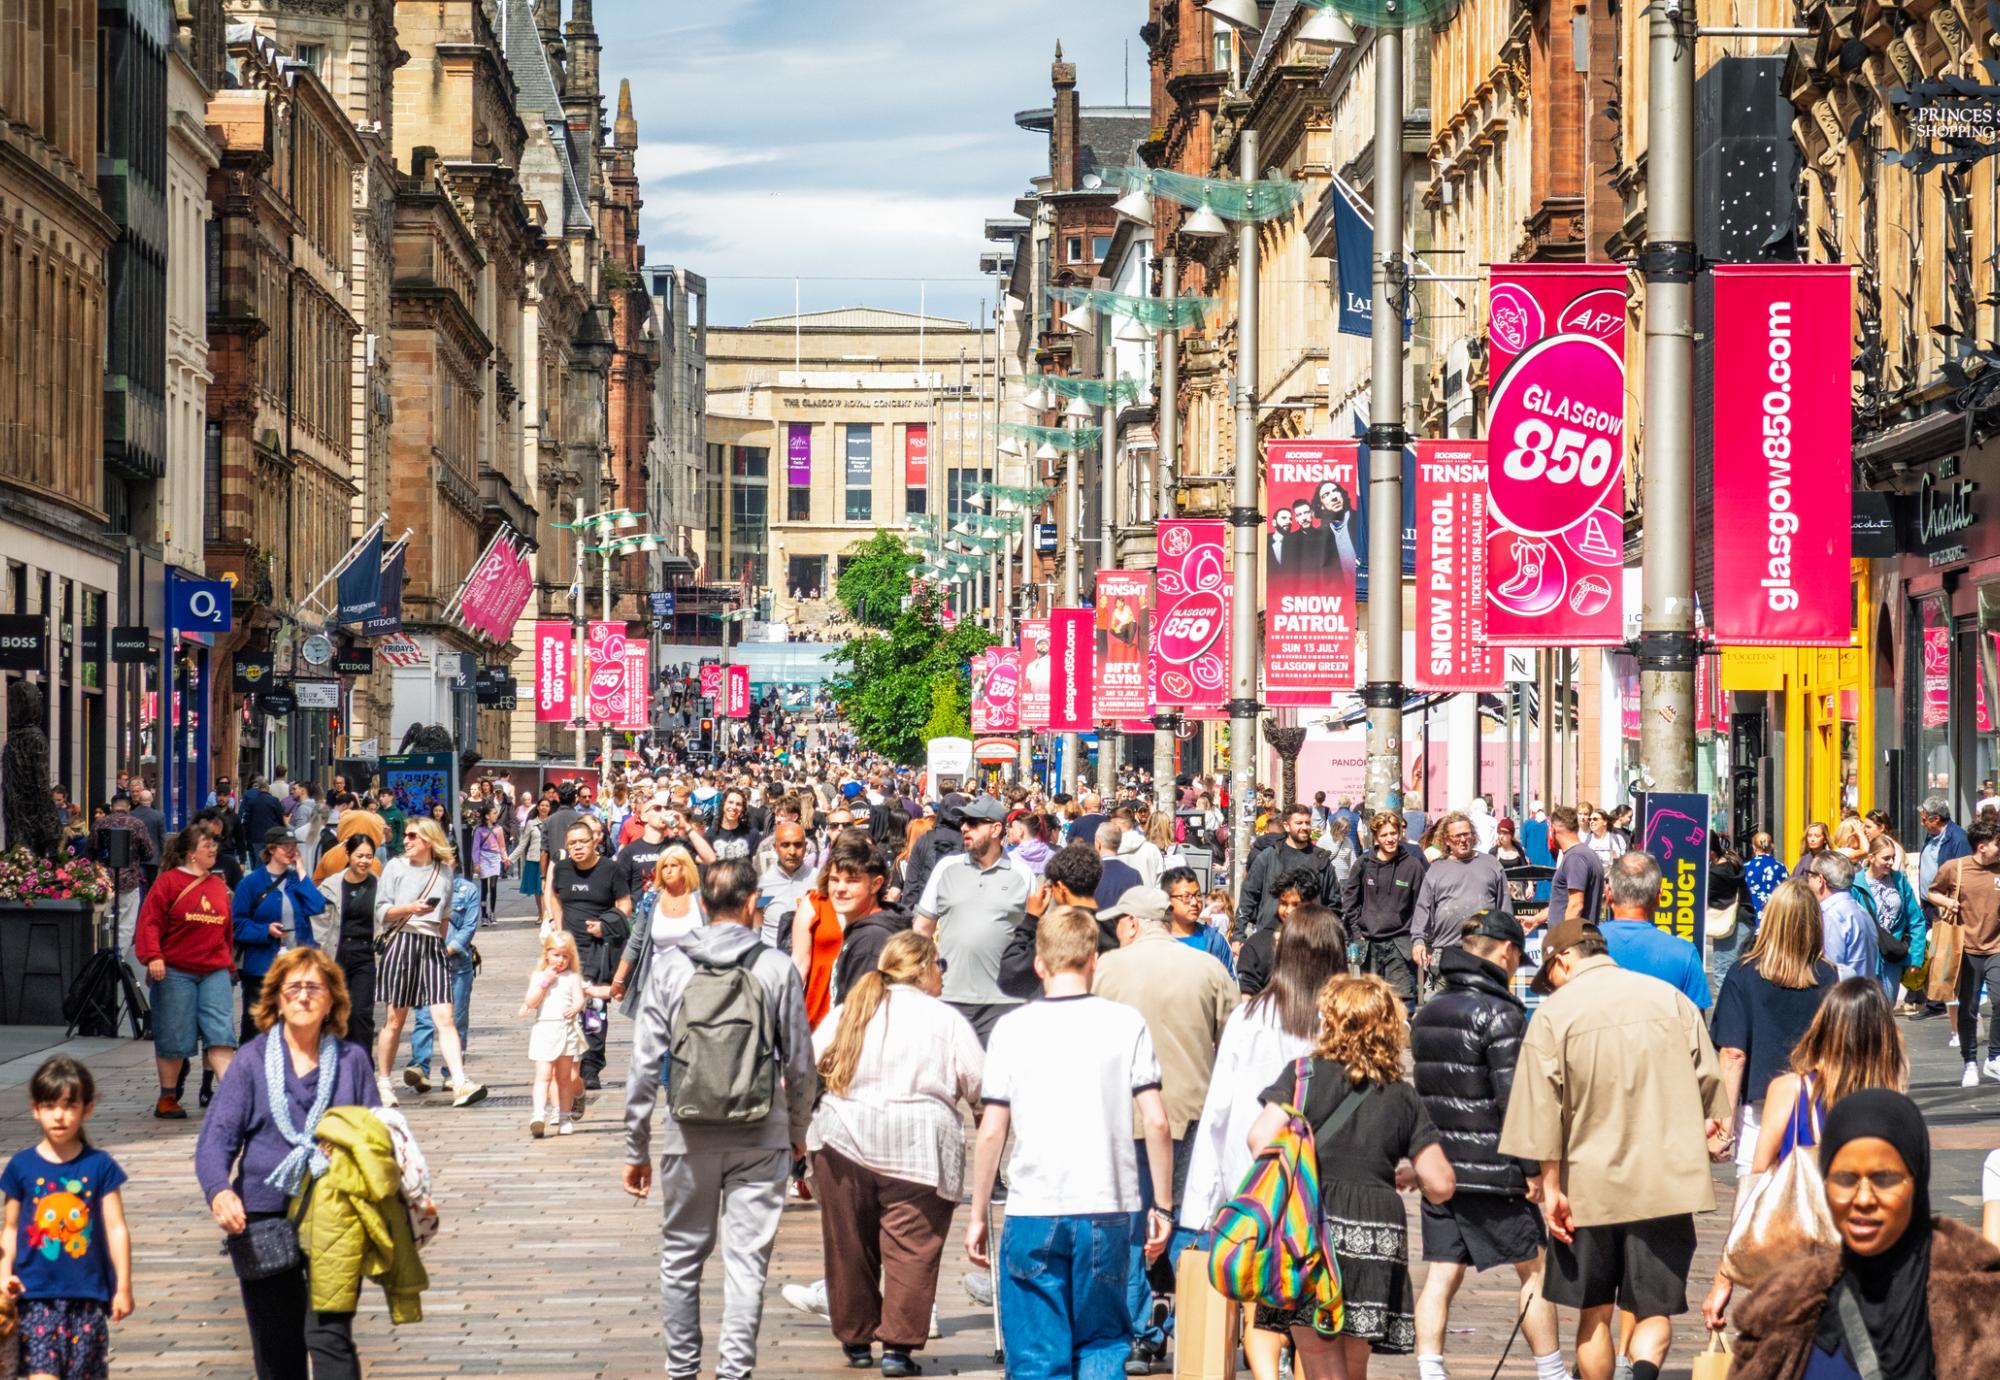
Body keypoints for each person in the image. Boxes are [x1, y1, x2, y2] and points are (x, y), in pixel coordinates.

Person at [1502, 916, 1731, 1380]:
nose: (1551, 986)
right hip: (1664, 1184)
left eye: (1551, 976)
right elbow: (1711, 1088)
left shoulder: (1553, 1015)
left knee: (1593, 1313)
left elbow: (1540, 1113)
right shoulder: (1670, 1000)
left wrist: (1550, 1189)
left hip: (1588, 1186)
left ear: (1563, 960)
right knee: (1653, 1310)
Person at [621, 859, 818, 1380]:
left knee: (681, 1259)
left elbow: (643, 1066)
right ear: (753, 903)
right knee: (747, 1266)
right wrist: (798, 1136)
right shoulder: (775, 968)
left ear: (702, 905)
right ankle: (735, 1372)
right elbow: (800, 1064)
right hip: (763, 1132)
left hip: (687, 1132)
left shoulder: (671, 967)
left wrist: (635, 1149)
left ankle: (682, 1370)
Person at [963, 906, 1173, 1380]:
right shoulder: (1125, 1022)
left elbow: (993, 1129)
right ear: (1094, 959)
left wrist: (977, 1213)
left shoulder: (1012, 1029)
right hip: (1108, 1206)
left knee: (1037, 1355)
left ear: (1039, 964)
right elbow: (1157, 1122)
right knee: (1102, 1342)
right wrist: (1162, 1207)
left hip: (1034, 1205)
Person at [1246, 976, 1456, 1378]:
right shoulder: (1400, 1094)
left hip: (1311, 1226)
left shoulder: (1303, 1075)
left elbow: (1259, 1140)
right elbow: (1442, 1183)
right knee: (1353, 1365)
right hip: (1376, 1231)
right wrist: (1410, 1172)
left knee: (1322, 1364)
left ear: (1334, 1021)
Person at [195, 947, 381, 1380]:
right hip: (262, 1215)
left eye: (313, 987)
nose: (302, 997)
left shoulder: (353, 1062)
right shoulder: (251, 1061)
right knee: (277, 1348)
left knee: (329, 1338)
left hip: (336, 1214)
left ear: (332, 999)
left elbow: (380, 1135)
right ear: (276, 998)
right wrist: (219, 1190)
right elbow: (216, 1139)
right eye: (292, 987)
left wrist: (353, 1150)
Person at [1178, 903, 1345, 1380]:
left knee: (1259, 1293)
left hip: (1253, 1176)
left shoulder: (1250, 1016)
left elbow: (1218, 1111)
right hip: (1321, 1177)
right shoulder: (1338, 1019)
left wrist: (1203, 1207)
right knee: (1317, 1298)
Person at [1729, 1091, 2000, 1379]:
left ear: (1916, 1181)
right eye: (1845, 1179)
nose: (1864, 1199)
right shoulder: (1786, 1311)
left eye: (1885, 1179)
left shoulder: (1979, 1309)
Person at [808, 932, 982, 1376]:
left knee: (849, 1244)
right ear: (924, 969)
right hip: (919, 1147)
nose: (941, 975)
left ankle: (856, 1340)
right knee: (912, 1248)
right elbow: (981, 1085)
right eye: (938, 966)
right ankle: (898, 1350)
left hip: (843, 1137)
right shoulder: (946, 1020)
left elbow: (808, 1064)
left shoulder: (851, 1010)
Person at [1409, 910, 1566, 1380]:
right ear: (1506, 951)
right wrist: (1534, 1170)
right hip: (1495, 1172)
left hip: (1441, 1168)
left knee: (1440, 1275)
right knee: (1534, 1271)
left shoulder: (1430, 1009)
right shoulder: (1502, 1014)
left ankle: (1430, 1371)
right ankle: (1552, 1372)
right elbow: (1514, 1099)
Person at [1702, 975, 1907, 1329]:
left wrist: (1725, 1278)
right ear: (1885, 1038)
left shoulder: (1789, 1091)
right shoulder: (1894, 1104)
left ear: (1824, 1026)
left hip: (1796, 1266)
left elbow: (1756, 1188)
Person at [1093, 884, 1241, 1370]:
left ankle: (1142, 1329)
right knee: (1187, 1218)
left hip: (1126, 1114)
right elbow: (1232, 1038)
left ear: (1133, 923)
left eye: (1120, 922)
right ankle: (1188, 1322)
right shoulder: (1209, 968)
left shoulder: (1108, 967)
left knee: (1135, 1225)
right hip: (1194, 1112)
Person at [0, 1057, 133, 1380]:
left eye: (69, 1106)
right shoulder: (21, 1167)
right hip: (34, 1297)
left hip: (87, 1296)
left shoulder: (100, 1166)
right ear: (36, 1109)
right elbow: (11, 1227)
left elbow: (116, 1228)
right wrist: (4, 1276)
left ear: (86, 1109)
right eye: (49, 1106)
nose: (59, 1115)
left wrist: (124, 1286)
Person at [1709, 880, 1838, 1178]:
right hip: (1814, 1105)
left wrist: (1724, 1125)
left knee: (1756, 1203)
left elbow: (1733, 1054)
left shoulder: (1743, 974)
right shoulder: (1828, 976)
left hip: (1758, 1110)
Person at [371, 818, 485, 1109]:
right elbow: (381, 911)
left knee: (445, 1018)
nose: (405, 840)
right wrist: (411, 908)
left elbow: (445, 916)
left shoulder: (443, 872)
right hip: (403, 941)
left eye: (412, 836)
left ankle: (459, 1081)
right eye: (406, 835)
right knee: (395, 1020)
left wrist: (439, 943)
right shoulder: (395, 867)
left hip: (433, 944)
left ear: (429, 841)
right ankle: (384, 1082)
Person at [133, 823, 237, 1119]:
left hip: (214, 968)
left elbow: (226, 929)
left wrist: (229, 963)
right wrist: (153, 956)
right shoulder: (168, 883)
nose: (213, 849)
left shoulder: (218, 885)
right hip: (174, 969)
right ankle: (168, 1097)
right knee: (174, 1035)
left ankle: (231, 1097)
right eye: (207, 845)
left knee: (221, 1033)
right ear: (191, 853)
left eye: (215, 844)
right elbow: (150, 922)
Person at [913, 796, 1035, 1046]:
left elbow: (1035, 938)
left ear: (996, 829)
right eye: (963, 821)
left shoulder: (1023, 874)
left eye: (973, 822)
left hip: (1004, 1003)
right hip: (948, 998)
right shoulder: (946, 868)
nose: (963, 827)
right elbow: (921, 931)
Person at [549, 820, 633, 1093]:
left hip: (598, 949)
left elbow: (624, 904)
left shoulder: (610, 869)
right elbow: (554, 896)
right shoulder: (562, 869)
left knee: (594, 1008)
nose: (577, 848)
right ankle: (569, 1058)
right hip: (568, 950)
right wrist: (557, 928)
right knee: (566, 1004)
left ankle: (591, 1065)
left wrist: (605, 926)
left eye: (582, 842)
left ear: (594, 842)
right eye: (571, 843)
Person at [232, 829, 327, 1045]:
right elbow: (237, 924)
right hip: (261, 965)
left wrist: (302, 870)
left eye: (294, 846)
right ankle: (251, 1067)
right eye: (286, 846)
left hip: (297, 964)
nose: (292, 850)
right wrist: (264, 930)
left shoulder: (296, 880)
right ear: (271, 849)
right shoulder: (251, 883)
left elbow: (317, 905)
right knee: (258, 1021)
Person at [1924, 819, 2000, 1086]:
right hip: (1965, 948)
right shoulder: (1955, 868)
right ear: (1981, 847)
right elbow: (1932, 892)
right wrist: (1947, 901)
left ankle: (1994, 1058)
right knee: (1967, 1008)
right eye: (1996, 845)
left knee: (1999, 1000)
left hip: (1996, 947)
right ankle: (1969, 1062)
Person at [1597, 851, 1713, 1009]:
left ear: (1608, 893)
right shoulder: (1685, 954)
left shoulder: (1580, 948)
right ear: (1659, 898)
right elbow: (1695, 1026)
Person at [1410, 811, 1514, 975]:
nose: (1463, 840)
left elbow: (1505, 909)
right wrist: (1418, 941)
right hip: (1447, 954)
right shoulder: (1436, 869)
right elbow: (1424, 908)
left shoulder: (1492, 865)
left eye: (1466, 834)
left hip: (1485, 953)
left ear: (1473, 836)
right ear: (1447, 840)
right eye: (1457, 836)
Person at [406, 872, 482, 1096]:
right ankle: (420, 1067)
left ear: (454, 860)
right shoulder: (420, 884)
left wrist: (447, 950)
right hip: (426, 960)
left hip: (457, 962)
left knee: (457, 1019)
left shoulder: (468, 890)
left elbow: (469, 927)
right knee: (424, 1017)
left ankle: (452, 1072)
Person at [1343, 810, 1426, 1007]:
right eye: (1384, 835)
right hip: (1370, 945)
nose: (1390, 839)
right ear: (1376, 838)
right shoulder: (1363, 864)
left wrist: (1420, 940)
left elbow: (1422, 907)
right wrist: (1357, 934)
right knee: (1370, 1006)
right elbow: (1350, 901)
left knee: (1403, 1005)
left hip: (1401, 945)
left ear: (1399, 833)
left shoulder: (1413, 866)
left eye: (1393, 833)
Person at [520, 929, 596, 1138]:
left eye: (565, 956)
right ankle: (538, 1114)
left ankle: (564, 1116)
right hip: (545, 1028)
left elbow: (579, 998)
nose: (560, 960)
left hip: (566, 1028)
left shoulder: (573, 977)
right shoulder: (539, 975)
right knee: (543, 1075)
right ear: (546, 954)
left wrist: (577, 1007)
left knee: (564, 1077)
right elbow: (531, 1001)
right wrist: (545, 982)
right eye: (556, 955)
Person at [316, 837, 380, 1057]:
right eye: (359, 856)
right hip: (337, 954)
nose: (364, 861)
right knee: (337, 1013)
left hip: (367, 956)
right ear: (349, 855)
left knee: (361, 1013)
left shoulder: (378, 885)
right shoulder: (331, 885)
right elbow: (320, 925)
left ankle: (363, 1069)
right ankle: (338, 1068)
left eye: (369, 856)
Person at [1235, 805, 1333, 942]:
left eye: (1307, 823)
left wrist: (1337, 938)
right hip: (1270, 936)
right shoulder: (1268, 857)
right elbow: (1248, 896)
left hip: (1310, 939)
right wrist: (1238, 935)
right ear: (1286, 826)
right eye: (1299, 823)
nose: (1305, 827)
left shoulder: (1321, 859)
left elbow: (1334, 903)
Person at [1852, 832, 1926, 1005]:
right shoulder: (1855, 884)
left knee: (1886, 1010)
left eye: (1893, 857)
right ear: (1871, 857)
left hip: (1891, 957)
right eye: (1886, 858)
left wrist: (1916, 957)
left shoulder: (1899, 880)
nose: (1891, 862)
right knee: (1862, 1012)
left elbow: (1916, 920)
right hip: (1863, 957)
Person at [91, 794, 155, 958]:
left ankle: (103, 955)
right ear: (129, 807)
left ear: (111, 807)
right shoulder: (137, 824)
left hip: (104, 881)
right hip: (129, 881)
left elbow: (91, 849)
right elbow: (148, 853)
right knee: (126, 923)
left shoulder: (100, 823)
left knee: (103, 919)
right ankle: (119, 957)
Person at [1805, 852, 1878, 984]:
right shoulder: (1860, 910)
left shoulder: (1831, 916)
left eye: (1810, 875)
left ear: (1820, 880)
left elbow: (1829, 970)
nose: (1807, 881)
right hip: (1864, 994)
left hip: (1843, 997)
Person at [1533, 805, 1605, 933]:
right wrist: (1536, 919)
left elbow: (1576, 905)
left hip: (1573, 945)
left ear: (1552, 831)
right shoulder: (1583, 854)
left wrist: (1565, 940)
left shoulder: (1575, 858)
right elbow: (1562, 903)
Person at [1162, 865, 1233, 974]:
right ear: (1168, 900)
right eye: (1186, 897)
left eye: (1198, 895)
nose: (1194, 902)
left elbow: (1231, 984)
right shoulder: (1155, 942)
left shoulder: (1215, 941)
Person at [1743, 831, 1788, 923]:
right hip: (1774, 918)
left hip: (1751, 918)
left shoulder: (1745, 868)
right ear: (1771, 846)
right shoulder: (1781, 867)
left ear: (1753, 847)